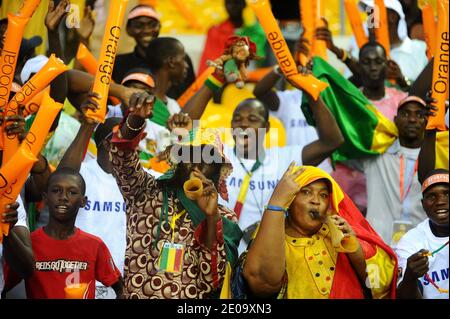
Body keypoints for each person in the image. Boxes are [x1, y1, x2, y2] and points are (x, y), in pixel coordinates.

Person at [184, 69, 344, 253]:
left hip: (262, 255)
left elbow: (332, 141)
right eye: (238, 119)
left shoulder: (284, 158)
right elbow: (185, 128)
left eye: (252, 119)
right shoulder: (217, 154)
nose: (244, 124)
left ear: (266, 128)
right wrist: (213, 81)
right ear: (231, 126)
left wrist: (310, 93)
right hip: (218, 252)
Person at [107, 91, 242, 299]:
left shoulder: (224, 216)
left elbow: (213, 282)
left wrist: (211, 216)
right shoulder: (146, 192)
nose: (196, 165)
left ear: (216, 171)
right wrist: (136, 119)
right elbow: (121, 159)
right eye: (189, 156)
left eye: (206, 161)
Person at [236, 165, 397, 299]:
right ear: (289, 199)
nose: (316, 200)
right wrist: (277, 203)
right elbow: (261, 286)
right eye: (306, 192)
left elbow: (379, 286)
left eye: (324, 195)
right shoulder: (271, 233)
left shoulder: (341, 234)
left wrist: (354, 249)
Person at [5, 168, 124, 299]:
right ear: (45, 198)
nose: (63, 197)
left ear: (83, 201)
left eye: (72, 192)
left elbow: (120, 289)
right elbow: (4, 286)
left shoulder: (94, 245)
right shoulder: (28, 245)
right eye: (56, 191)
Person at [353, 96, 430, 243]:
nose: (412, 119)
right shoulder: (376, 153)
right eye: (406, 114)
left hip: (421, 246)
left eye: (419, 115)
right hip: (378, 245)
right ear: (395, 120)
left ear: (426, 121)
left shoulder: (434, 158)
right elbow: (341, 135)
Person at [111, 4, 195, 100]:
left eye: (152, 24)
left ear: (159, 27)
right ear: (128, 29)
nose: (146, 30)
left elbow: (191, 93)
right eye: (139, 25)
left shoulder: (180, 60)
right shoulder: (119, 63)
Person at [396, 169, 449, 299]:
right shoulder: (410, 242)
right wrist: (410, 277)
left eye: (447, 194)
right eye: (431, 196)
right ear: (423, 205)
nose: (440, 201)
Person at [358, 0, 428, 83]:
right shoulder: (361, 51)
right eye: (368, 15)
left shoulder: (421, 50)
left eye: (373, 15)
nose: (369, 23)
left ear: (393, 17)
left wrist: (401, 79)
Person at [197, 0, 266, 76]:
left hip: (248, 79)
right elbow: (210, 60)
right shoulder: (215, 31)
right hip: (219, 79)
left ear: (244, 5)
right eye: (229, 3)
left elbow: (258, 60)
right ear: (225, 5)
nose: (232, 6)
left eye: (236, 2)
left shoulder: (255, 33)